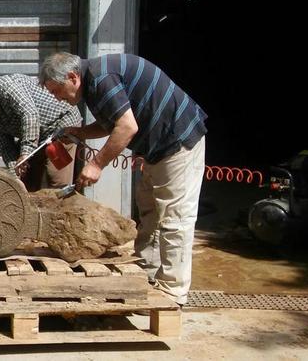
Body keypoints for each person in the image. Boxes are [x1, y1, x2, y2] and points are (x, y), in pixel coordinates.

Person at [39, 52, 207, 306]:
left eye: (56, 90)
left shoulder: (100, 77)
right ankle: (146, 273)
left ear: (73, 77)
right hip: (155, 147)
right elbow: (112, 122)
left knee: (175, 218)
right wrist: (81, 132)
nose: (57, 97)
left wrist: (96, 165)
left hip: (177, 141)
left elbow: (127, 127)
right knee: (149, 210)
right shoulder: (95, 83)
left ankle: (173, 291)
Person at [0, 74, 82, 191]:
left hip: (62, 125)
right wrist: (14, 176)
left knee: (56, 180)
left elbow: (30, 114)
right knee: (26, 183)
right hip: (38, 136)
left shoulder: (7, 86)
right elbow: (6, 147)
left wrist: (25, 154)